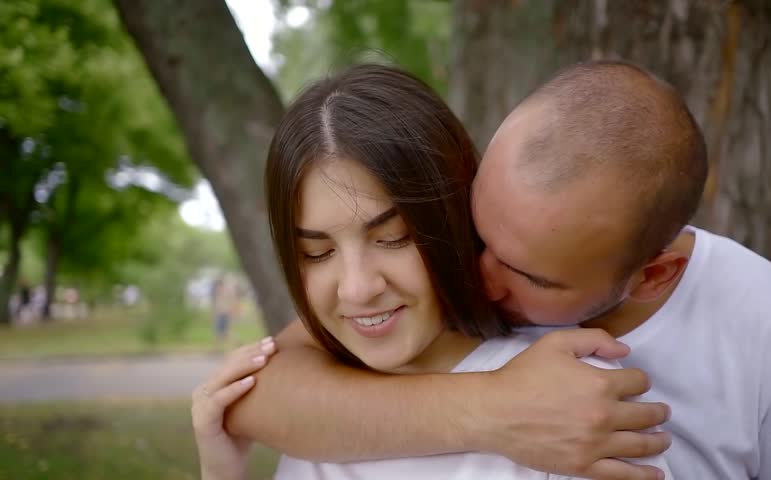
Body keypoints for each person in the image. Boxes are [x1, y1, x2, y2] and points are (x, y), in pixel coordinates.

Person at [192, 64, 674, 480]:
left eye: (393, 238)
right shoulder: (310, 414)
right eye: (317, 253)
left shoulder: (575, 401)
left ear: (453, 214)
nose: (358, 289)